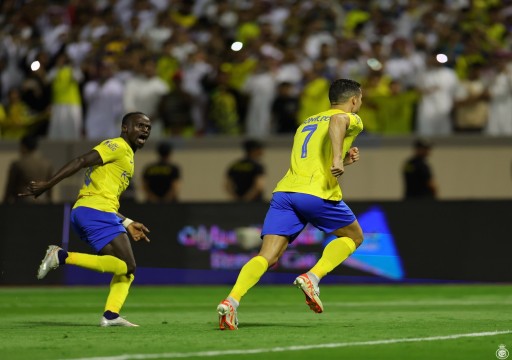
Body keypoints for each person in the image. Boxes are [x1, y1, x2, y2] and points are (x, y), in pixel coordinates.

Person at [217, 79, 364, 330]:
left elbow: (313, 158)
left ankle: (231, 301)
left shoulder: (307, 122)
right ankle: (313, 277)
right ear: (353, 100)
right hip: (315, 192)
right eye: (360, 99)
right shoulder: (350, 117)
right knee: (354, 236)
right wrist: (339, 157)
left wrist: (342, 160)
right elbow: (338, 121)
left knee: (268, 255)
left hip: (285, 192)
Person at [19, 112, 152, 327]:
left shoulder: (128, 155)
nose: (145, 130)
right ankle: (61, 256)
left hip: (91, 212)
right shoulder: (116, 146)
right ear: (125, 127)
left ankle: (111, 315)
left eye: (148, 127)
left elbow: (104, 195)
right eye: (139, 125)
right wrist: (48, 184)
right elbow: (81, 160)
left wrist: (126, 222)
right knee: (129, 265)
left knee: (124, 269)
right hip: (94, 212)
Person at [3, 135, 53, 204]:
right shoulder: (47, 164)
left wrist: (4, 204)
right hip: (42, 202)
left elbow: (10, 187)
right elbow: (50, 187)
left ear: (23, 147)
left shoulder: (18, 164)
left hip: (23, 203)